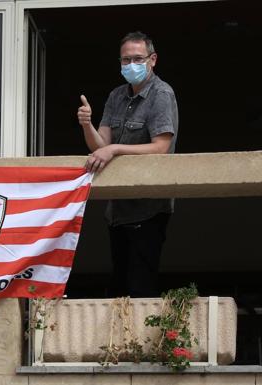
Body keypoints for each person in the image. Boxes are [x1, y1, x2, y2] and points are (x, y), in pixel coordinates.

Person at [77, 31, 178, 297]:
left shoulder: (161, 94)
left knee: (140, 287)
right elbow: (100, 147)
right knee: (119, 288)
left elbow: (161, 147)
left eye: (137, 58)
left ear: (152, 59)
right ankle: (121, 341)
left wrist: (115, 149)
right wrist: (87, 124)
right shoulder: (116, 96)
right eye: (125, 60)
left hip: (149, 208)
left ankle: (138, 341)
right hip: (118, 210)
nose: (131, 65)